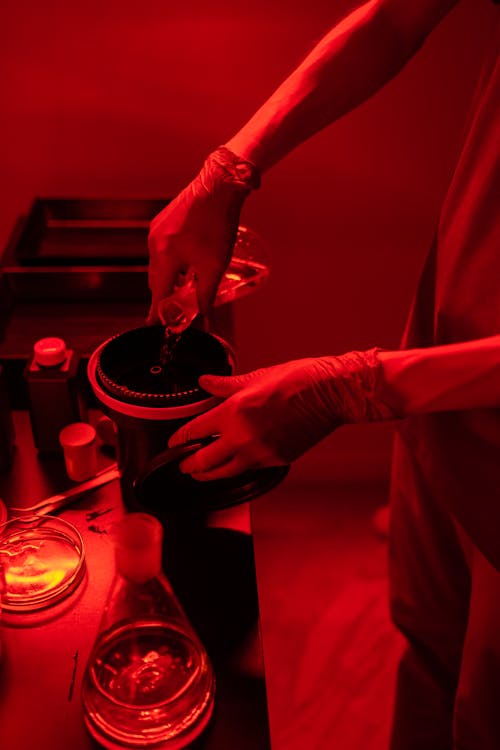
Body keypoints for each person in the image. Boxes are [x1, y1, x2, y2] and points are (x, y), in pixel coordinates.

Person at [147, 1, 500, 747]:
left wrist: (358, 387)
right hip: (436, 369)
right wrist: (229, 166)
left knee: (484, 707)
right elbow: (400, 17)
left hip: (437, 393)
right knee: (429, 639)